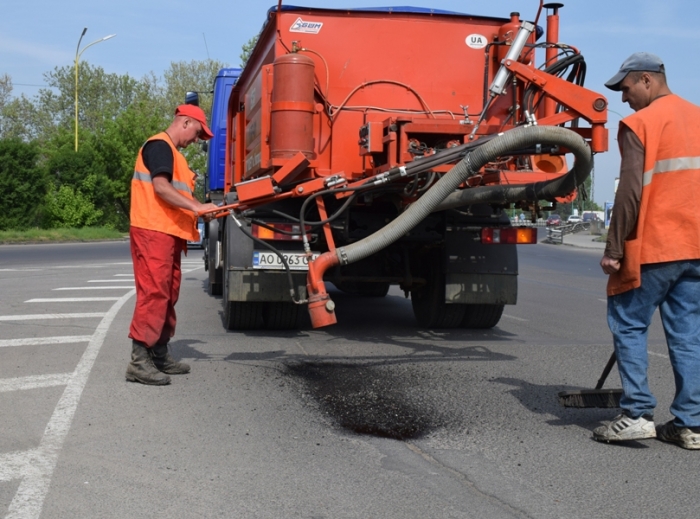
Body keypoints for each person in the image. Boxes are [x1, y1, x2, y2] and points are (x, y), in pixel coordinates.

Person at [594, 52, 700, 449]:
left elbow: (629, 191)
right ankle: (690, 425)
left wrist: (614, 248)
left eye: (625, 89)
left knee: (628, 322)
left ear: (646, 80)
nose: (624, 99)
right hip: (695, 248)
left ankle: (637, 413)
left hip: (655, 246)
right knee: (688, 334)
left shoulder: (641, 123)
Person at [126, 104, 219, 386]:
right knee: (155, 293)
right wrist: (197, 207)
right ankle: (139, 362)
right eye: (198, 134)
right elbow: (161, 188)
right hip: (152, 230)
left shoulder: (173, 153)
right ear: (186, 122)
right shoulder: (159, 146)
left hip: (165, 232)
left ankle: (159, 353)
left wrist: (198, 209)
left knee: (168, 293)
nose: (197, 141)